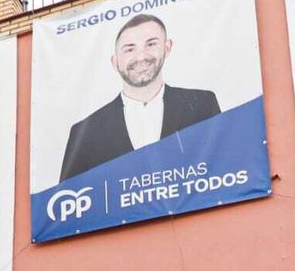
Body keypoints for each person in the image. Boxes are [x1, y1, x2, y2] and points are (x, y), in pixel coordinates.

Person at [58, 13, 221, 182]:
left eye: (151, 44)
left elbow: (224, 169)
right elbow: (70, 195)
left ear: (167, 48)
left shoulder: (203, 105)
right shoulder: (85, 132)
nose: (141, 56)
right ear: (115, 62)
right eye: (129, 49)